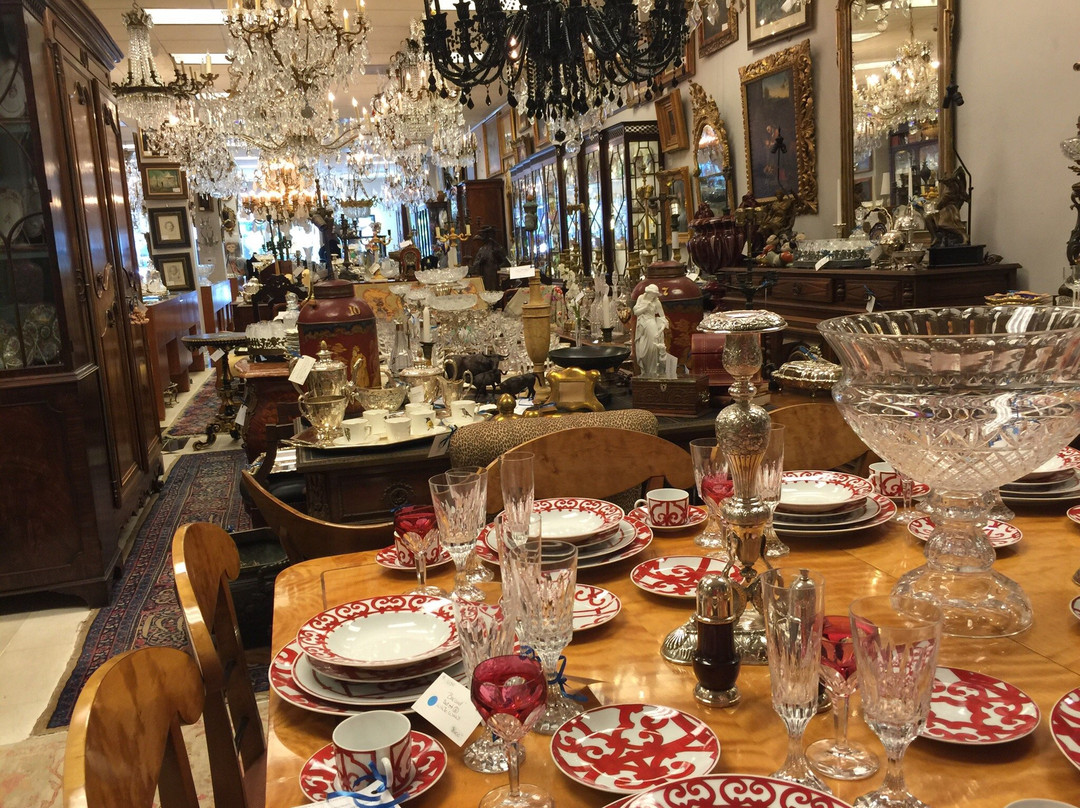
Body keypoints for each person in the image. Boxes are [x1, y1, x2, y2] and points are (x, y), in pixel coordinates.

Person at [633, 283, 671, 378]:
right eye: (652, 294)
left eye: (655, 295)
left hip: (651, 324)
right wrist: (646, 306)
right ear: (648, 292)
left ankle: (652, 371)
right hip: (641, 325)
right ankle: (645, 371)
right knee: (642, 350)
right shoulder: (641, 298)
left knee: (653, 347)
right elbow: (636, 312)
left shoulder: (657, 302)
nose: (653, 296)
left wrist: (662, 326)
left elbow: (662, 316)